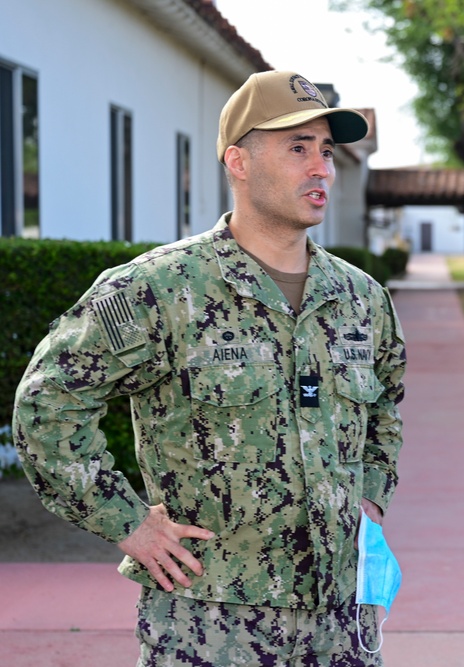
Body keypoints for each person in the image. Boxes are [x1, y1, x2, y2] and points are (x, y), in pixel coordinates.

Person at [12, 70, 406, 666]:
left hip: (341, 623)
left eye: (325, 150)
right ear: (238, 163)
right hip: (212, 629)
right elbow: (47, 406)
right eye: (297, 148)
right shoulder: (160, 290)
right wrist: (127, 522)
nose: (321, 167)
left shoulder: (361, 298)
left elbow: (384, 407)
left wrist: (369, 502)